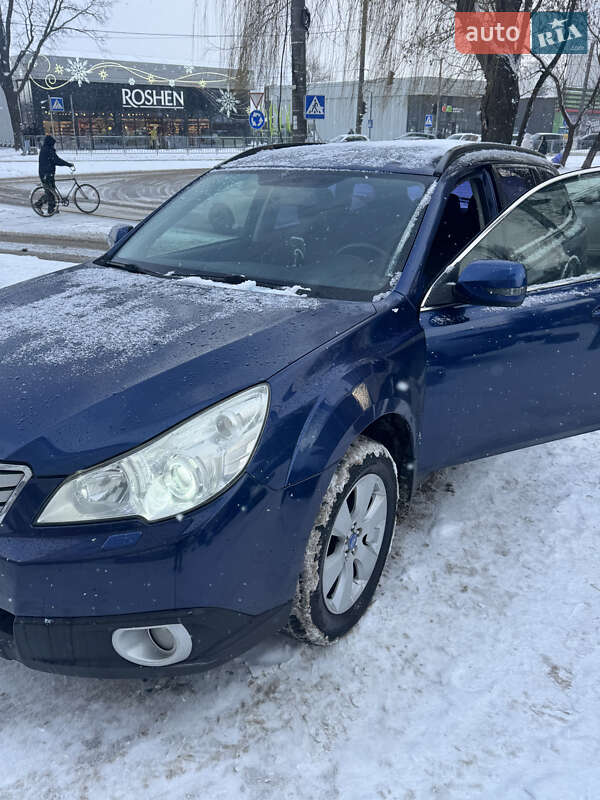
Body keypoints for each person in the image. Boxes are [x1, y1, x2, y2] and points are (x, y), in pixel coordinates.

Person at [34, 135, 74, 215]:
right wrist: (68, 164)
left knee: (51, 191)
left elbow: (55, 160)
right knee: (50, 192)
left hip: (48, 173)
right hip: (46, 174)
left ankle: (50, 208)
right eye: (53, 144)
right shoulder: (48, 150)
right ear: (50, 143)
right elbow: (56, 160)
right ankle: (42, 205)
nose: (53, 145)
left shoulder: (46, 149)